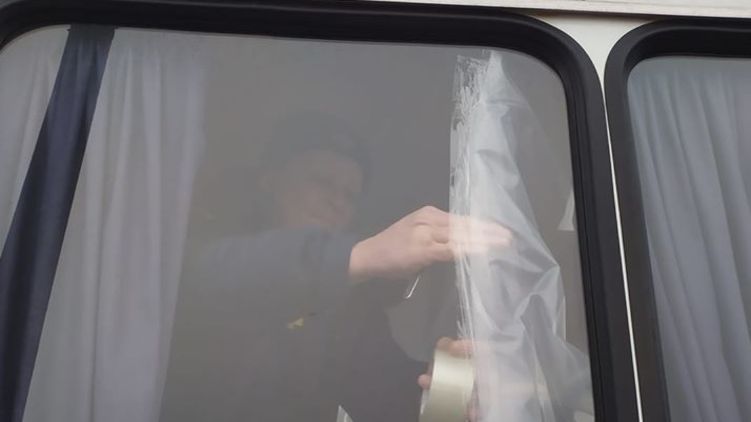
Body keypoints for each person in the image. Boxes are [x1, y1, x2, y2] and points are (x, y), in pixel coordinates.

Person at [161, 113, 510, 422]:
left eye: (349, 195)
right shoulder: (189, 249)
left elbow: (390, 397)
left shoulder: (350, 310)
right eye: (322, 181)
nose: (337, 201)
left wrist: (447, 388)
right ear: (270, 181)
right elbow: (229, 274)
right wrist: (365, 255)